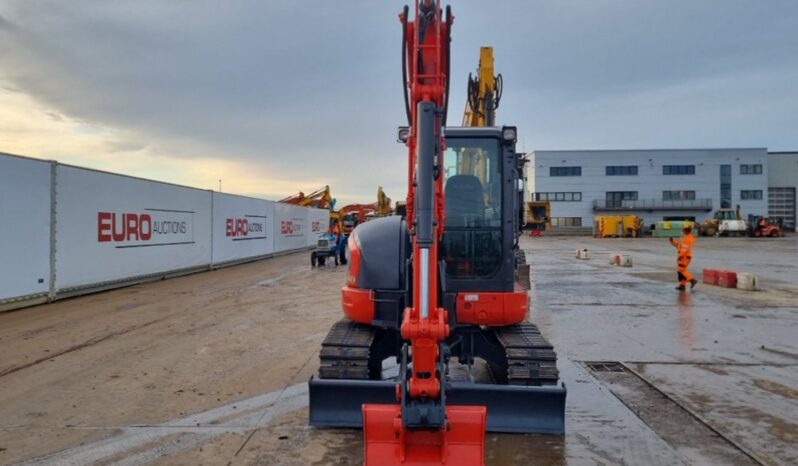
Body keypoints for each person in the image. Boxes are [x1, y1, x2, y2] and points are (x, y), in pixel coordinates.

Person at [670, 226, 698, 291]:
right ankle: (682, 285)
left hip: (684, 256)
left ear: (687, 231)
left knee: (681, 270)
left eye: (683, 230)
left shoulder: (688, 239)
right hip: (684, 256)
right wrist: (672, 240)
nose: (682, 231)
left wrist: (680, 256)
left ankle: (692, 280)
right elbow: (678, 245)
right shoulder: (684, 237)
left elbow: (684, 249)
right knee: (680, 271)